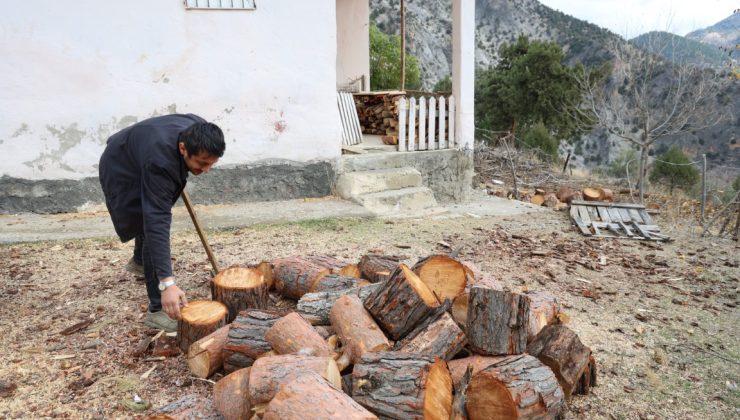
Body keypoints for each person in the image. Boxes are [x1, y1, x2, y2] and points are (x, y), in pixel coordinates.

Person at [99, 114, 225, 332]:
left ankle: (140, 262)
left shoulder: (199, 128)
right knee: (147, 220)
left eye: (211, 164)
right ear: (183, 148)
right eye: (201, 163)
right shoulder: (161, 163)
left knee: (149, 212)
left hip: (140, 148)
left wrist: (188, 167)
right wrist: (167, 283)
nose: (205, 170)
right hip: (120, 163)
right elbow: (156, 221)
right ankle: (158, 310)